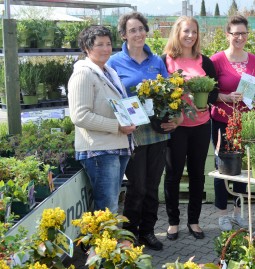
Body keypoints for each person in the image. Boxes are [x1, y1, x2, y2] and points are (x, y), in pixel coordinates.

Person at [107, 11, 178, 251]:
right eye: (132, 30)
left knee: (152, 185)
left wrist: (176, 117)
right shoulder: (114, 63)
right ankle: (129, 235)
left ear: (146, 31)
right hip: (132, 132)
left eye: (141, 29)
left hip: (157, 132)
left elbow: (169, 93)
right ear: (124, 35)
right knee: (136, 187)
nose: (138, 34)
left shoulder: (156, 61)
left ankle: (148, 231)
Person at [160, 16, 218, 240]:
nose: (190, 36)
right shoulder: (165, 60)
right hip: (176, 127)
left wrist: (205, 101)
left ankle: (194, 221)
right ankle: (173, 222)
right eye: (186, 31)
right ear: (177, 32)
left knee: (197, 175)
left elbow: (213, 90)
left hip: (201, 125)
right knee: (173, 174)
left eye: (194, 32)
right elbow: (159, 91)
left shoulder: (205, 62)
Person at [68, 25, 136, 214]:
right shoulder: (83, 74)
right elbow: (80, 116)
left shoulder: (107, 72)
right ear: (87, 48)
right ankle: (103, 243)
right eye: (100, 45)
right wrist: (117, 126)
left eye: (108, 44)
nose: (106, 49)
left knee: (111, 204)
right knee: (107, 207)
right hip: (99, 150)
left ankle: (107, 243)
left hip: (116, 146)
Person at [210, 15, 255, 231]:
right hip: (222, 120)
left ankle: (238, 212)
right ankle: (222, 214)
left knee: (243, 169)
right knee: (222, 167)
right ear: (227, 35)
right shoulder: (216, 60)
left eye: (243, 33)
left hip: (246, 123)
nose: (239, 37)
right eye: (235, 33)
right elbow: (210, 93)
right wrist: (227, 97)